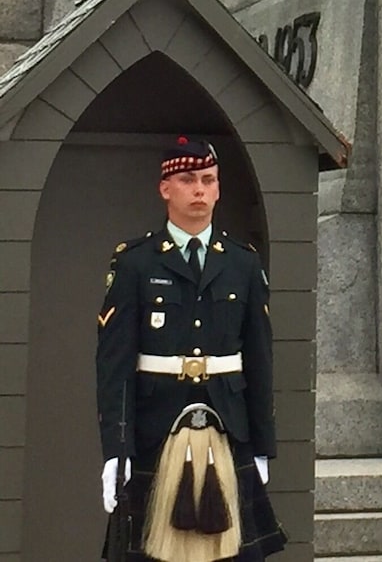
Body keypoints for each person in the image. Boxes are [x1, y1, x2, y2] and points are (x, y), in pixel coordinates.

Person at [97, 136, 287, 561]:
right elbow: (114, 367)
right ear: (166, 188)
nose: (199, 189)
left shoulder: (243, 263)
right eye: (187, 179)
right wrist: (116, 449)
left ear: (219, 188)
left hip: (228, 428)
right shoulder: (135, 263)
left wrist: (262, 445)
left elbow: (260, 361)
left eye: (208, 179)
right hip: (154, 431)